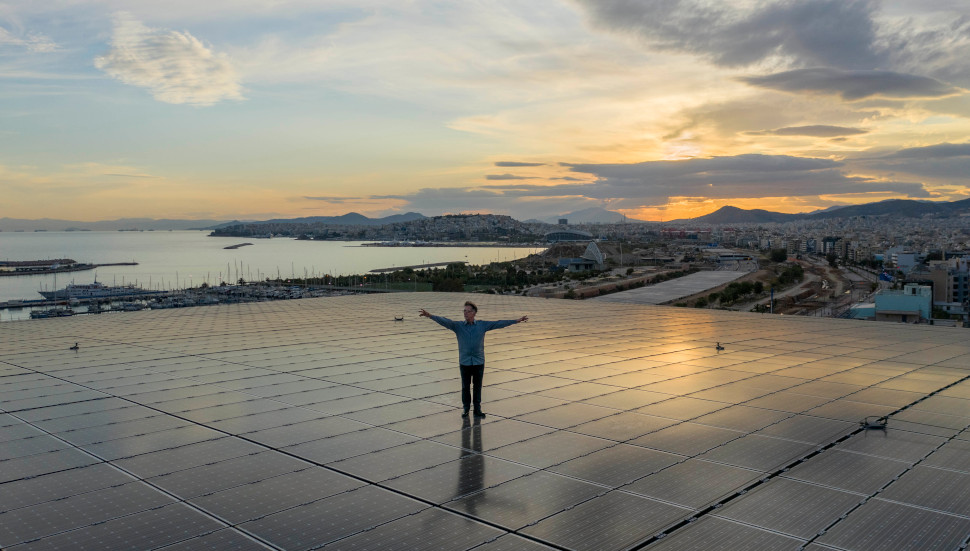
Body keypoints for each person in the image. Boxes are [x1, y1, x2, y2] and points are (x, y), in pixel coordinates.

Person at [419, 301, 527, 418]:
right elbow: (445, 321)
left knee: (477, 386)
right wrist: (430, 316)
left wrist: (516, 321)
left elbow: (499, 323)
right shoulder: (458, 326)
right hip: (465, 362)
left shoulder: (482, 325)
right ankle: (466, 409)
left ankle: (477, 409)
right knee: (465, 387)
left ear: (474, 313)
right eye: (464, 311)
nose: (466, 313)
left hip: (478, 362)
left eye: (468, 311)